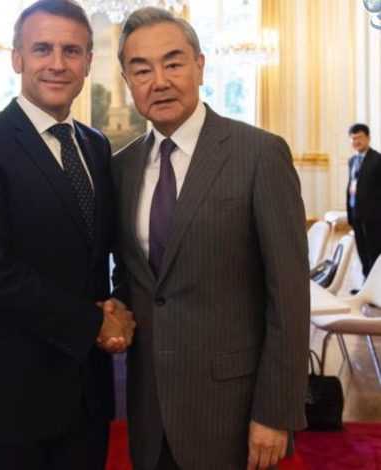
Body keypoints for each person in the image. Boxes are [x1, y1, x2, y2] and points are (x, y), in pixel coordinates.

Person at [0, 1, 134, 468]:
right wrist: (94, 324)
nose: (57, 63)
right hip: (6, 392)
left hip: (85, 393)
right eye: (42, 48)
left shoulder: (95, 144)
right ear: (17, 58)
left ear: (88, 62)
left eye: (72, 51)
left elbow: (110, 250)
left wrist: (121, 305)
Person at [110, 7, 310, 470]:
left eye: (173, 63)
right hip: (150, 408)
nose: (160, 81)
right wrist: (114, 310)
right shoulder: (122, 167)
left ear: (199, 66)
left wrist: (275, 412)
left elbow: (288, 297)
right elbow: (134, 278)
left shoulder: (258, 154)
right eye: (142, 70)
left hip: (232, 411)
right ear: (128, 81)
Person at [346, 123, 381, 286]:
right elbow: (352, 186)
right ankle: (366, 285)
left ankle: (376, 287)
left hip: (373, 216)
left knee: (374, 252)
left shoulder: (377, 159)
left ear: (368, 138)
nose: (356, 141)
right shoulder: (352, 160)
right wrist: (350, 213)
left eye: (360, 137)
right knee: (362, 252)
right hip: (356, 213)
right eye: (353, 138)